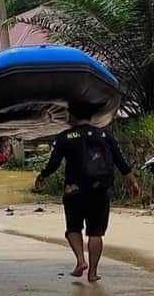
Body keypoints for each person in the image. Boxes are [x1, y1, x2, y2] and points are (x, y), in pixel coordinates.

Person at [35, 102, 140, 283]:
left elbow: (54, 163)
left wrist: (42, 176)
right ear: (91, 116)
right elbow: (120, 160)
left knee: (73, 228)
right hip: (99, 189)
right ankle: (92, 272)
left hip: (74, 190)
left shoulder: (65, 137)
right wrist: (132, 181)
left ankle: (80, 261)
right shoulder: (105, 134)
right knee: (95, 233)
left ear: (71, 116)